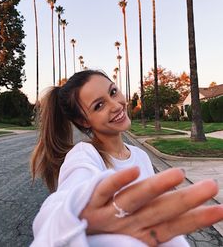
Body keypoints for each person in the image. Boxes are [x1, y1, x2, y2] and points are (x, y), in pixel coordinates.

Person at [30, 69, 223, 246]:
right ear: (83, 121)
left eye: (113, 92)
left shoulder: (141, 156)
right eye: (99, 105)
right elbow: (58, 208)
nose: (115, 105)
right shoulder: (84, 156)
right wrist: (74, 216)